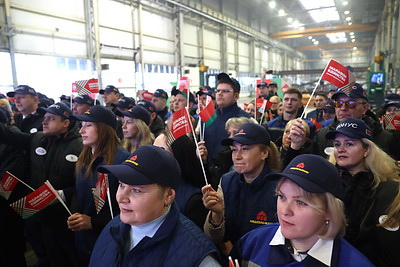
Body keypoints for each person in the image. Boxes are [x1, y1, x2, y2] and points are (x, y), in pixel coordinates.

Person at [230, 154, 374, 267]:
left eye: (300, 202)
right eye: (282, 196)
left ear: (329, 211)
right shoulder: (251, 243)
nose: (285, 211)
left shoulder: (355, 263)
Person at [89, 145, 221, 266]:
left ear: (168, 195)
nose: (121, 198)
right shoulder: (112, 229)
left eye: (136, 190)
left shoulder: (199, 257)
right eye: (122, 185)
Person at [0, 102, 83, 267]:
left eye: (51, 118)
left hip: (65, 217)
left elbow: (85, 183)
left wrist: (64, 193)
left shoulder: (79, 146)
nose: (44, 122)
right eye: (44, 118)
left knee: (71, 259)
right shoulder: (37, 138)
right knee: (47, 257)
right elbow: (8, 135)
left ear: (66, 123)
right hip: (40, 215)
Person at [326, 118, 400, 266]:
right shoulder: (326, 183)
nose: (341, 149)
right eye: (337, 144)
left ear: (366, 149)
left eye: (349, 144)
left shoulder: (386, 189)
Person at [202, 123, 281, 257]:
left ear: (264, 153)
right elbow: (212, 238)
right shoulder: (227, 181)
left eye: (245, 149)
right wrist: (217, 215)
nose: (237, 156)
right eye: (234, 149)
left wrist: (238, 254)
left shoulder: (280, 188)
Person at [67, 105, 130, 266]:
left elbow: (128, 205)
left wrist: (94, 223)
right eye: (82, 126)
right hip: (83, 240)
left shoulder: (122, 161)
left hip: (110, 240)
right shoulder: (84, 157)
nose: (81, 131)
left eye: (88, 125)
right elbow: (77, 191)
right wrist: (76, 216)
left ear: (104, 129)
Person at [153, 132, 208, 229]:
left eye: (161, 151)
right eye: (153, 150)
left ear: (178, 155)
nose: (153, 156)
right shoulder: (150, 185)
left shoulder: (193, 199)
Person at [203, 73, 250, 159]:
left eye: (225, 91)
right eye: (218, 91)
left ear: (236, 96)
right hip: (207, 169)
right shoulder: (207, 118)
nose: (220, 93)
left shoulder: (245, 120)